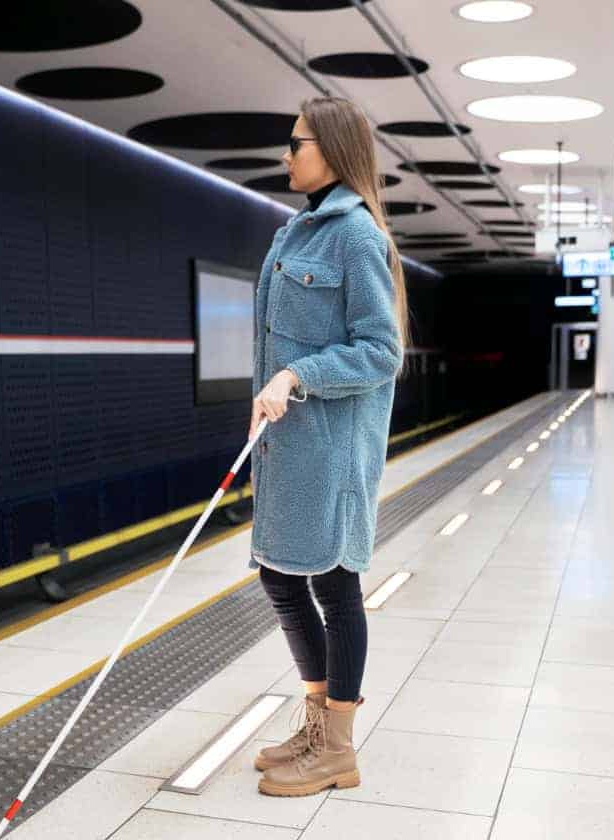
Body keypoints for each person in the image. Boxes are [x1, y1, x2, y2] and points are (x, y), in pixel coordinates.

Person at [247, 96, 408, 797]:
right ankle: (316, 721)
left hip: (333, 448)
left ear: (333, 150)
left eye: (297, 144)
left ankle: (337, 747)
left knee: (335, 585)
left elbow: (381, 351)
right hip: (287, 445)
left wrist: (297, 375)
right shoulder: (293, 234)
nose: (287, 156)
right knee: (279, 574)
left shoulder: (356, 238)